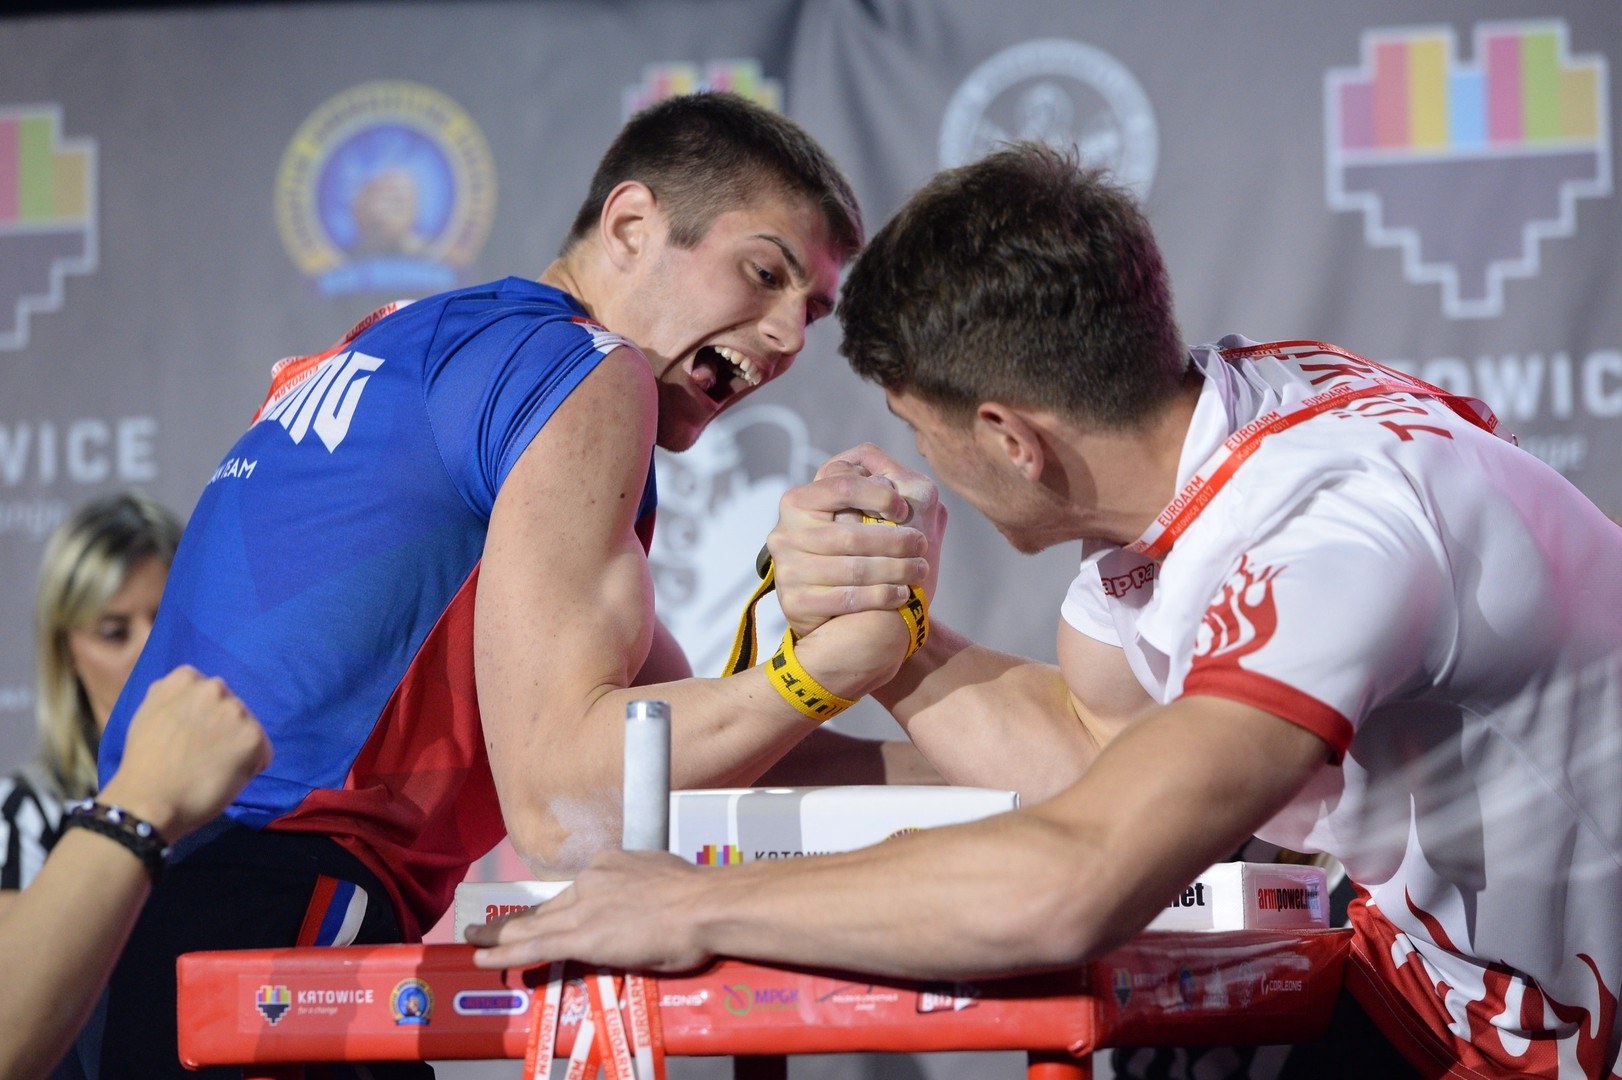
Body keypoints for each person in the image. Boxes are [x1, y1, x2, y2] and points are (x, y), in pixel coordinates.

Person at [470, 143, 1622, 1079]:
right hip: (1440, 991)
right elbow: (1093, 755)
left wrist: (695, 906)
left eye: (920, 431)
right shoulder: (1219, 431)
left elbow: (1074, 878)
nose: (922, 462)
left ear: (1010, 439)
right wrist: (893, 635)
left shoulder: (1325, 537)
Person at [85, 92, 927, 1079]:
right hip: (269, 920)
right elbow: (564, 804)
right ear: (630, 225)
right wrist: (824, 669)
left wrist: (1024, 798)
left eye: (812, 309)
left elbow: (682, 754)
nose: (787, 335)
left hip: (120, 913)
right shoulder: (584, 369)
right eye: (764, 272)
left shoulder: (422, 340)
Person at [0, 666, 268, 1080]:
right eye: (114, 635)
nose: (142, 654)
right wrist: (144, 800)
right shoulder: (27, 808)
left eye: (154, 631)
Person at [0, 490, 182, 904]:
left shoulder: (249, 799)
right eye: (115, 632)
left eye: (167, 624)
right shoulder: (23, 817)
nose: (149, 651)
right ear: (66, 652)